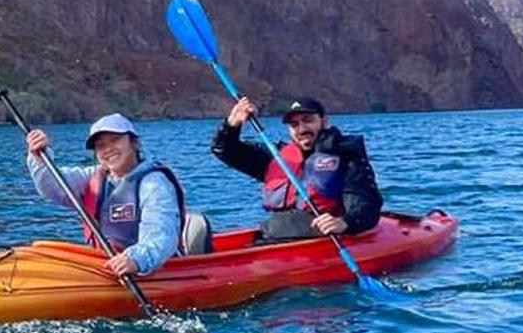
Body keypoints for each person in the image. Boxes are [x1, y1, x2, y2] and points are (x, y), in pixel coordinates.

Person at [25, 114, 191, 279]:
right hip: (106, 266)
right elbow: (53, 186)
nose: (108, 149)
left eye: (115, 139)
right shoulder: (93, 177)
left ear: (135, 143)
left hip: (151, 269)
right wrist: (39, 157)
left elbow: (160, 232)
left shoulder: (154, 183)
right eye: (100, 145)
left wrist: (136, 259)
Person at [211, 96, 382, 241]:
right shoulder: (277, 157)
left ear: (324, 121)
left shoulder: (346, 155)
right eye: (294, 124)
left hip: (320, 240)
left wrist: (345, 222)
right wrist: (231, 125)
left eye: (308, 121)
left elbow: (366, 202)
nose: (301, 129)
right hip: (273, 238)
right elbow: (225, 150)